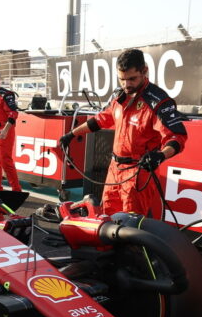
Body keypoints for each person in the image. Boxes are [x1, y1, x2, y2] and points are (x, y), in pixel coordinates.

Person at [55, 48, 188, 218]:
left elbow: (177, 136)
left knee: (130, 225)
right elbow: (100, 120)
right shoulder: (120, 97)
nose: (126, 85)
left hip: (138, 173)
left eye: (132, 79)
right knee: (107, 220)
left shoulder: (157, 101)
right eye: (122, 80)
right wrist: (71, 134)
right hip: (114, 169)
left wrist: (161, 155)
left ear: (144, 71)